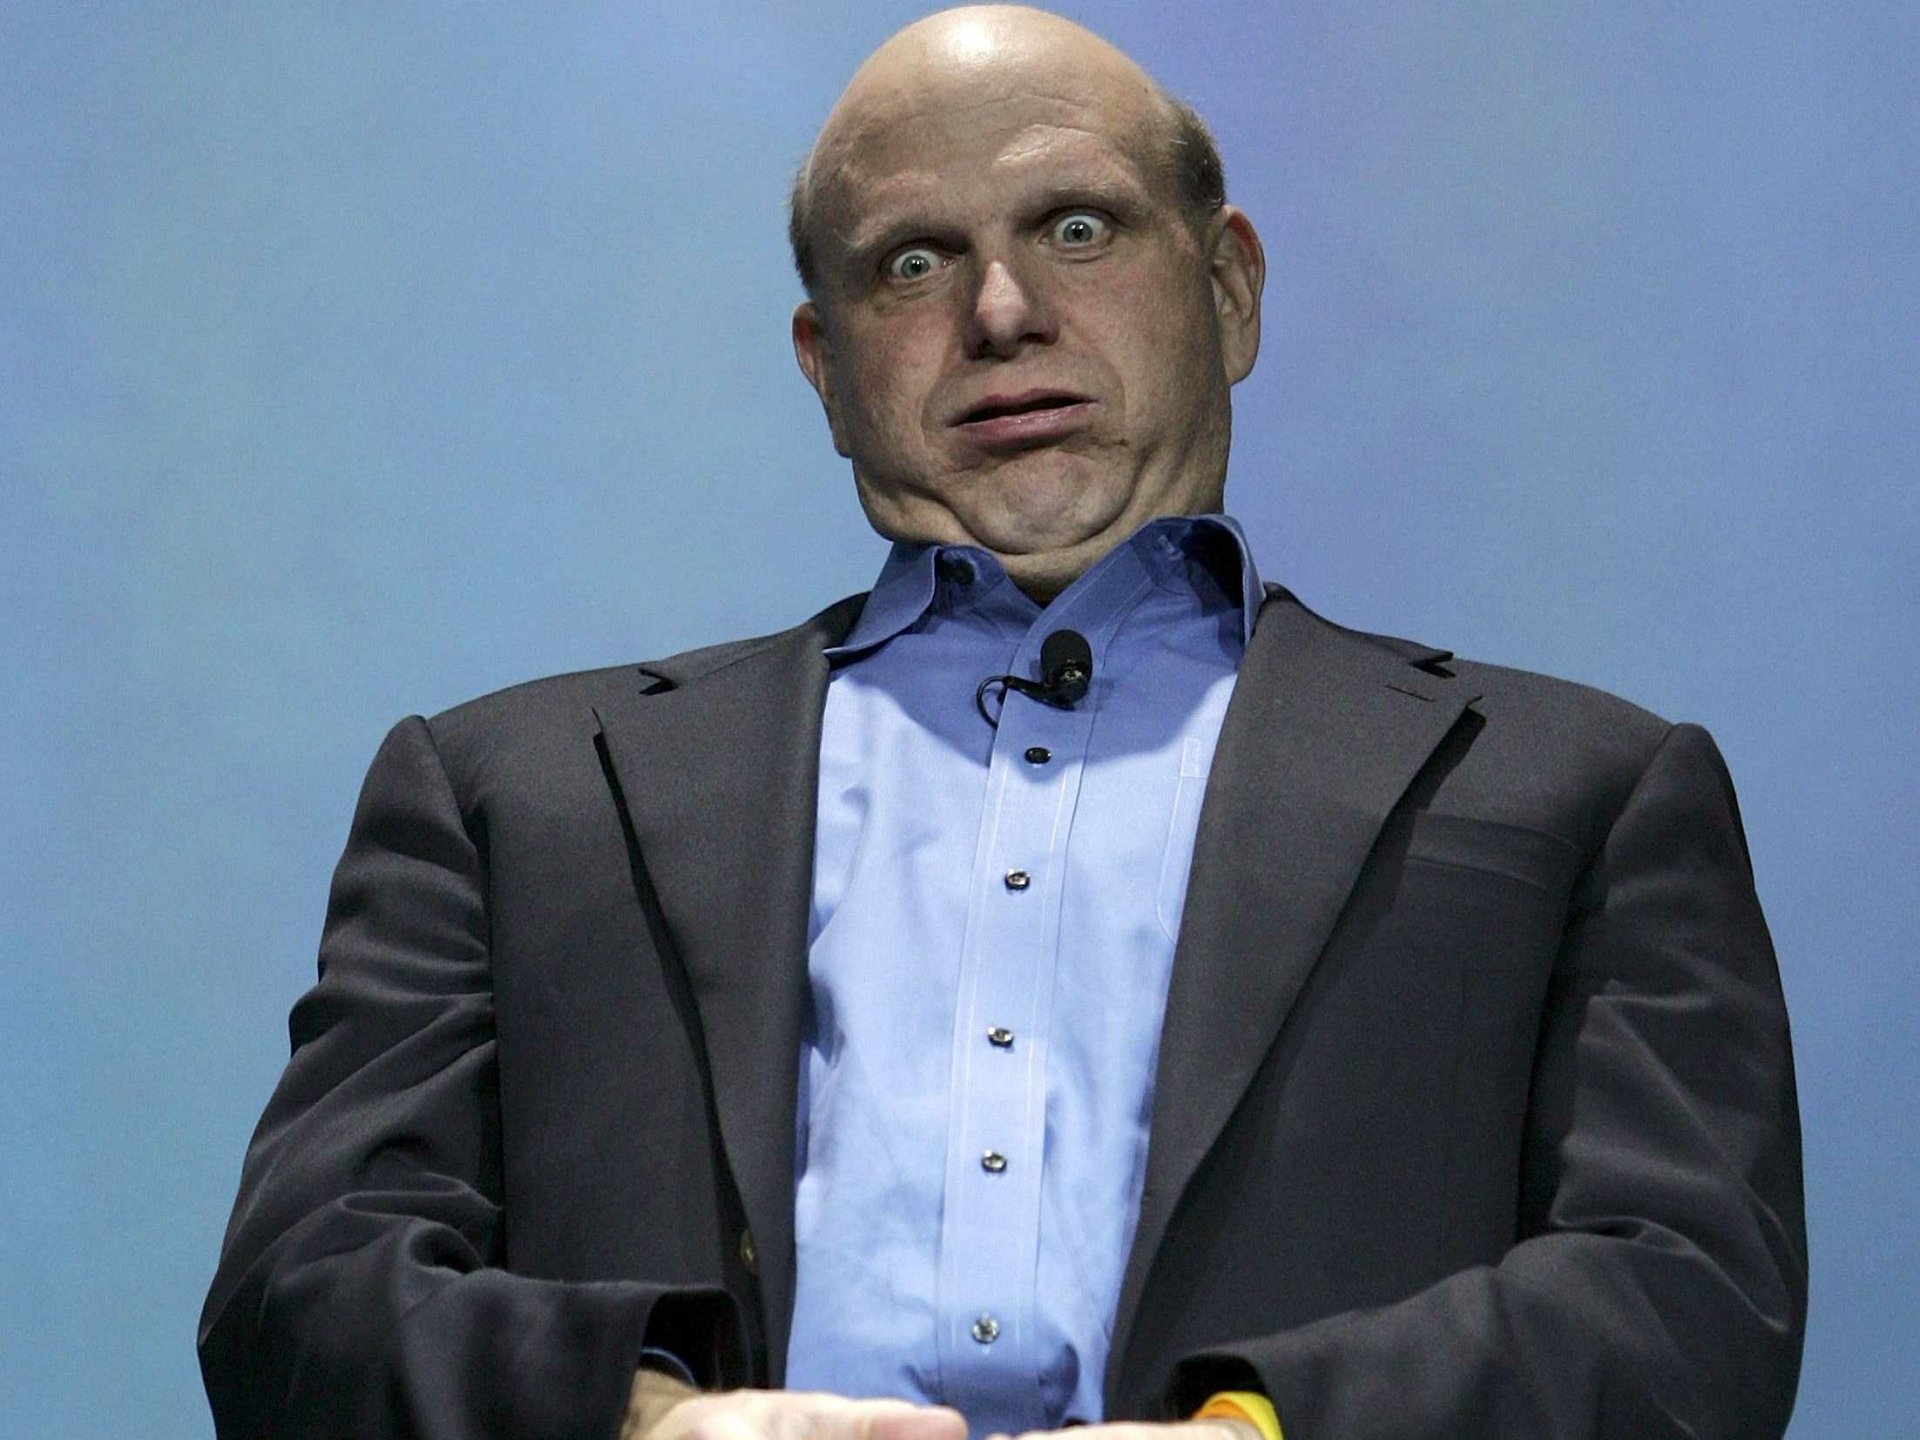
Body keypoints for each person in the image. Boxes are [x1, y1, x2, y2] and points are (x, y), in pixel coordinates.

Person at [198, 8, 1807, 1440]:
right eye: (911, 263)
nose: (1002, 311)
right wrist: (646, 1423)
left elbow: (1689, 1305)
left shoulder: (1578, 793)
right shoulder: (512, 796)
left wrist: (1254, 1437)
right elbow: (300, 1296)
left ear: (1230, 288)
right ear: (826, 367)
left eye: (1079, 228)